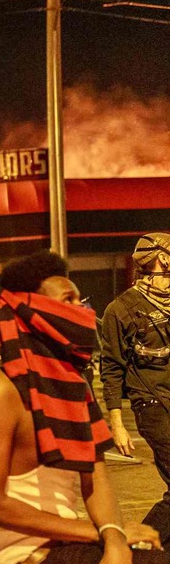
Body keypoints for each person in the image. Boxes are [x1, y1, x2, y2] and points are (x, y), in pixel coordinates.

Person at [0, 250, 170, 564]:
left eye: (81, 299)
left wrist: (116, 542)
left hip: (71, 546)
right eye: (69, 299)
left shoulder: (70, 382)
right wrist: (102, 535)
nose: (83, 309)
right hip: (22, 563)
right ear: (32, 310)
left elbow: (96, 478)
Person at [103, 233, 170, 546]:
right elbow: (112, 368)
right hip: (152, 405)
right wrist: (117, 425)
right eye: (167, 270)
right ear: (149, 268)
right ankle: (137, 543)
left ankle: (151, 550)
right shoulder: (121, 310)